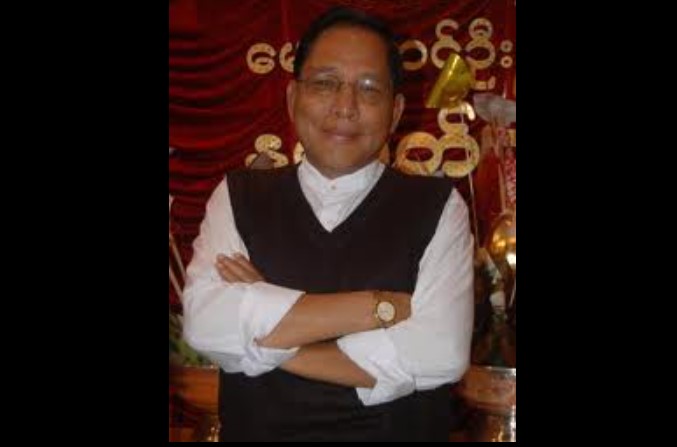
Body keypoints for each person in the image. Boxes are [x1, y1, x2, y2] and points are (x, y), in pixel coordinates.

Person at [182, 6, 474, 442]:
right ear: (292, 98)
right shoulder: (239, 195)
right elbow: (206, 323)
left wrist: (266, 329)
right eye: (325, 83)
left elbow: (440, 353)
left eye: (369, 89)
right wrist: (377, 307)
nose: (345, 106)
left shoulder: (438, 206)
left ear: (395, 112)